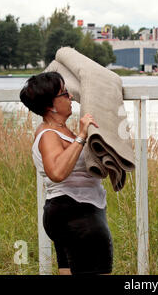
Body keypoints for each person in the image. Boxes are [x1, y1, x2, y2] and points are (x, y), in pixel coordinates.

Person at [20, 71, 113, 275]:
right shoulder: (49, 135)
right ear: (50, 105)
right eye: (64, 94)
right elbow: (57, 172)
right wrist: (81, 136)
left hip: (70, 211)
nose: (70, 97)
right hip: (76, 212)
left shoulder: (59, 131)